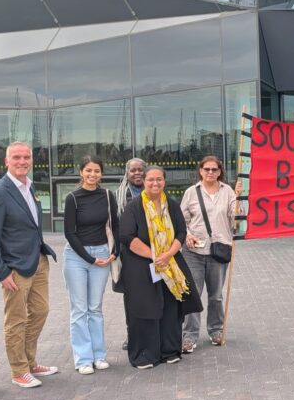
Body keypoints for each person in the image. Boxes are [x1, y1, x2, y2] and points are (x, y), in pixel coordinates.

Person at [0, 142, 58, 388]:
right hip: (14, 267)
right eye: (17, 157)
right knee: (16, 319)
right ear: (6, 161)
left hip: (37, 261)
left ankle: (30, 362)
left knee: (40, 311)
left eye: (26, 157)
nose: (22, 161)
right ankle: (18, 370)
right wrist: (1, 272)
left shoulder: (29, 186)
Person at [118, 166, 202, 368]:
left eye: (159, 180)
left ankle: (170, 350)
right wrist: (155, 256)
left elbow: (181, 233)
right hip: (141, 265)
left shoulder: (172, 205)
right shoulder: (134, 207)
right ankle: (145, 354)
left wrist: (167, 255)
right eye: (150, 180)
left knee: (170, 307)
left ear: (164, 181)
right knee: (145, 308)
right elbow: (127, 237)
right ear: (144, 181)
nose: (155, 183)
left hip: (170, 263)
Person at [63, 155, 119, 374]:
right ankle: (83, 359)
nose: (92, 175)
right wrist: (89, 259)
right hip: (77, 257)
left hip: (103, 254)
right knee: (79, 310)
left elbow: (116, 225)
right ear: (81, 172)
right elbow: (69, 232)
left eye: (96, 171)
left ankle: (99, 355)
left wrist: (115, 252)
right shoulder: (72, 198)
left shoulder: (107, 195)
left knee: (95, 308)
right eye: (88, 171)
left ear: (101, 173)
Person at [180, 156, 240, 352]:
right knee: (193, 294)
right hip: (194, 252)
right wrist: (187, 235)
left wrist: (239, 198)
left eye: (214, 169)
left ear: (220, 172)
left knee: (215, 296)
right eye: (207, 169)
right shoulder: (191, 193)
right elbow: (182, 220)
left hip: (218, 250)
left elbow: (236, 218)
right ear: (200, 171)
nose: (210, 173)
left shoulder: (228, 191)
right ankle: (189, 335)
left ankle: (216, 330)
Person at [116, 158, 145, 351]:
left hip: (152, 251)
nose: (137, 173)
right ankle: (132, 334)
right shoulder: (117, 196)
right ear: (127, 173)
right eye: (133, 170)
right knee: (131, 297)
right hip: (127, 253)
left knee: (152, 295)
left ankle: (151, 333)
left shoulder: (155, 190)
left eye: (140, 170)